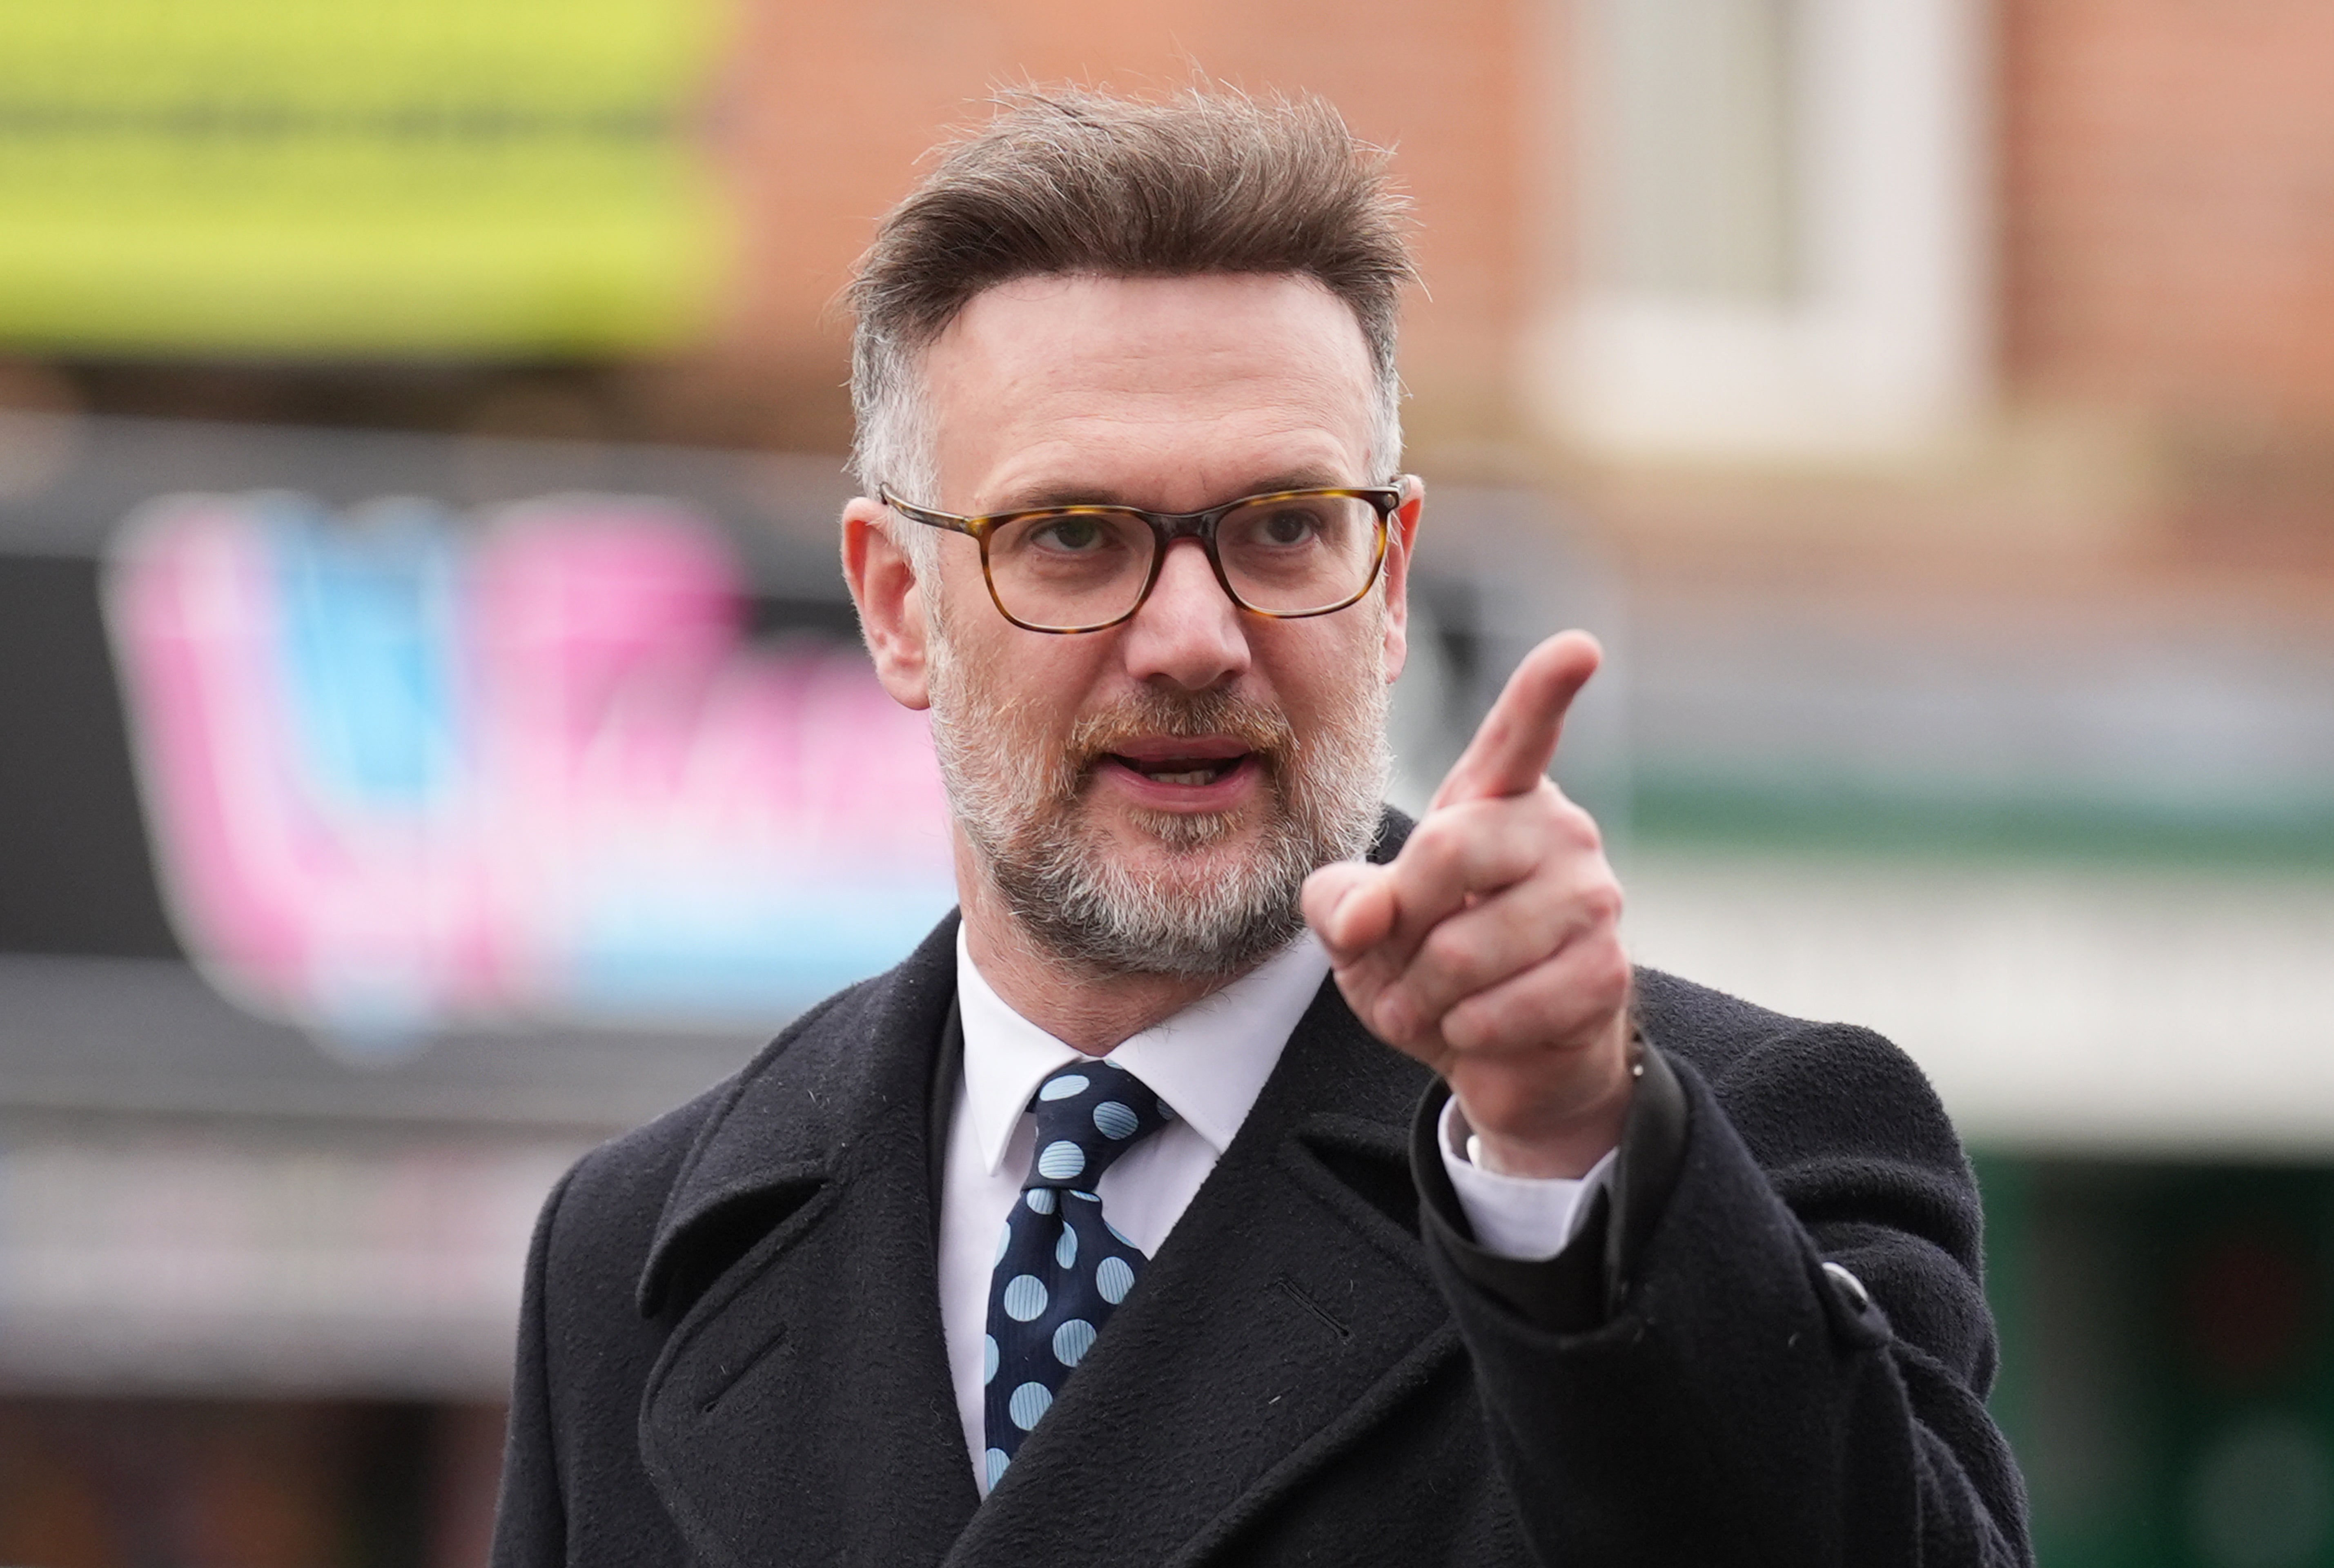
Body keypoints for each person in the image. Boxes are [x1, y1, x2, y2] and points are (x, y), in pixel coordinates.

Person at [489, 88, 2029, 1567]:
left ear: (1393, 573)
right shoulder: (632, 1255)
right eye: (1073, 539)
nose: (1192, 640)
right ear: (898, 605)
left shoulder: (1726, 1155)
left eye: (1285, 529)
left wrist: (1561, 1154)